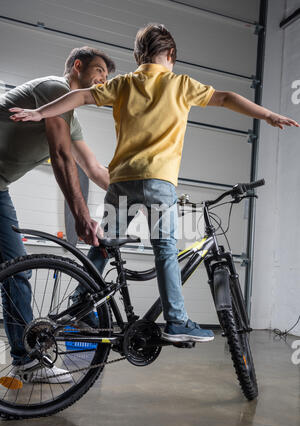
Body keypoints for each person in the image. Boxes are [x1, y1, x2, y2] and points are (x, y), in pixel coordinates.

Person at [10, 24, 299, 344]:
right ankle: (176, 320)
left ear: (138, 56)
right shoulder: (180, 84)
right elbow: (227, 97)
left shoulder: (124, 84)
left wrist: (39, 112)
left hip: (121, 184)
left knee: (106, 245)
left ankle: (82, 296)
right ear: (171, 55)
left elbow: (79, 96)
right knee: (164, 250)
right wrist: (269, 115)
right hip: (158, 183)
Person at [0, 46, 115, 384]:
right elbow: (62, 156)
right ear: (77, 67)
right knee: (16, 270)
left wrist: (142, 187)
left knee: (16, 271)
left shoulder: (71, 120)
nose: (101, 82)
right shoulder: (55, 89)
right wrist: (81, 215)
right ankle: (27, 359)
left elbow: (95, 170)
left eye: (106, 79)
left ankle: (26, 361)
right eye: (98, 73)